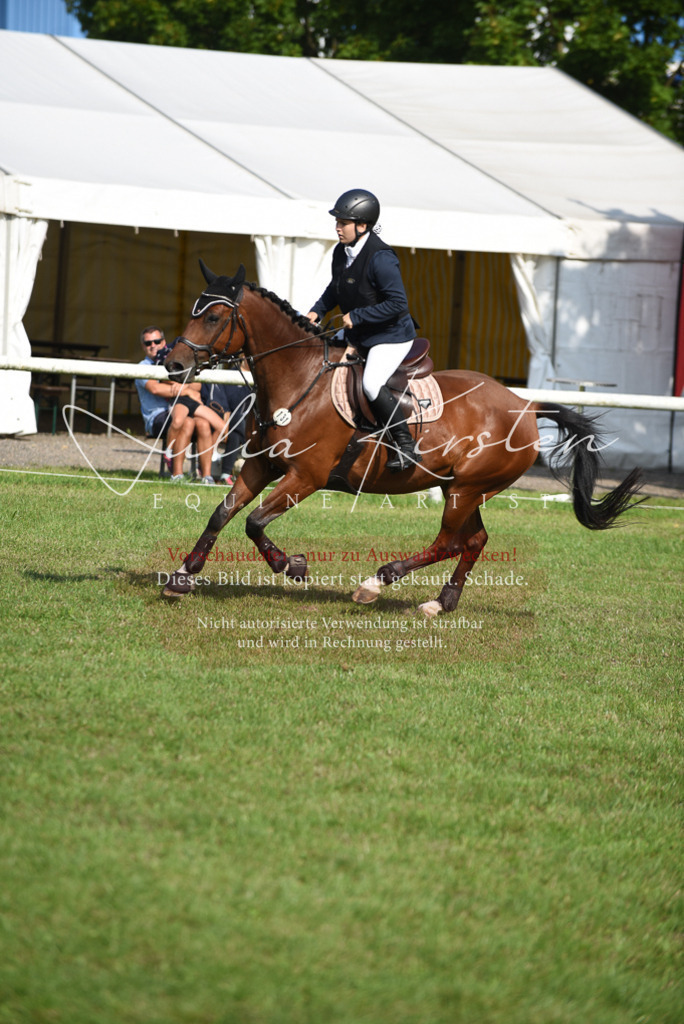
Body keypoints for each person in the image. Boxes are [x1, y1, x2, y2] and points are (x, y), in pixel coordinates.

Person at [306, 189, 421, 472]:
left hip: (390, 336)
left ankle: (406, 446)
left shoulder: (381, 258)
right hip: (360, 333)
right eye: (337, 221)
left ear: (362, 225)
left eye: (343, 222)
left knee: (370, 384)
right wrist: (316, 311)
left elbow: (397, 303)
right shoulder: (340, 251)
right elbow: (336, 288)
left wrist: (357, 315)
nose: (337, 227)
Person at [135, 325, 225, 484]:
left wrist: (184, 388)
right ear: (143, 346)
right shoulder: (143, 366)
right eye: (148, 343)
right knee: (187, 423)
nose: (153, 345)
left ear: (164, 341)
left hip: (184, 408)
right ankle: (177, 474)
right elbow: (155, 388)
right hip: (158, 417)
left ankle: (207, 475)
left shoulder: (175, 359)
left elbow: (197, 385)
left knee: (204, 424)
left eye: (157, 341)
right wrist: (186, 390)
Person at [200, 380, 248, 484]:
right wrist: (227, 413)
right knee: (236, 420)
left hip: (231, 419)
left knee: (235, 433)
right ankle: (251, 449)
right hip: (216, 415)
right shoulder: (229, 375)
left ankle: (225, 475)